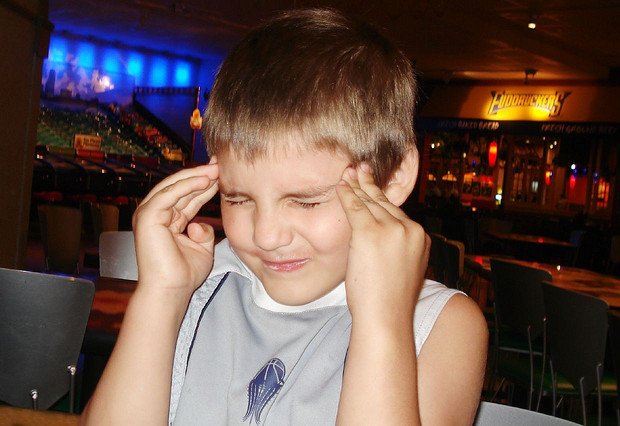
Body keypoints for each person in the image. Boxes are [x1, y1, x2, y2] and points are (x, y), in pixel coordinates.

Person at [80, 8, 487, 425]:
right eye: (238, 198)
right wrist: (161, 295)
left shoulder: (440, 326)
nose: (266, 235)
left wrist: (382, 321)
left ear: (395, 176)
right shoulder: (198, 288)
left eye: (306, 201)